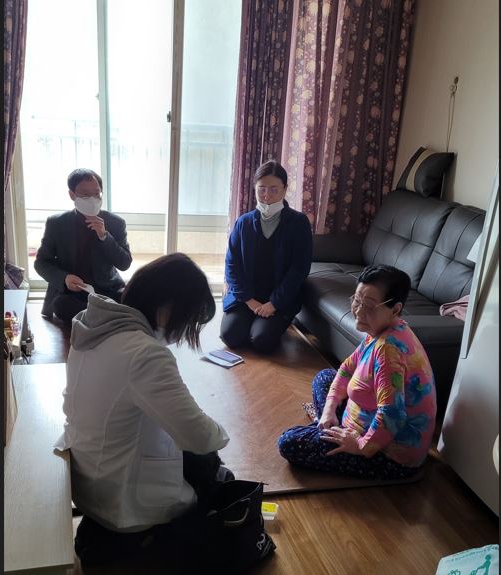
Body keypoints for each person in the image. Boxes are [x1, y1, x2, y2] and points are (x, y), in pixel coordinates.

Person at [54, 253, 231, 565]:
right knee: (212, 464)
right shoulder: (145, 354)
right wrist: (220, 431)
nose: (183, 331)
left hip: (87, 482)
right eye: (187, 320)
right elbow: (201, 436)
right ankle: (149, 541)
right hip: (122, 500)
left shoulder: (92, 326)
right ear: (167, 308)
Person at [278, 264, 437, 479]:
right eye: (356, 300)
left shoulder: (388, 350)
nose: (358, 312)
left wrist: (360, 446)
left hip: (388, 454)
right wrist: (329, 410)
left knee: (289, 442)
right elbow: (346, 368)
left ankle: (326, 429)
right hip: (368, 418)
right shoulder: (384, 329)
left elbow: (392, 415)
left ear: (395, 309)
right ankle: (326, 423)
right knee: (325, 377)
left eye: (369, 306)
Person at [221, 159, 312, 353]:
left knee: (261, 340)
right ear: (255, 188)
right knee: (231, 336)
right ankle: (253, 321)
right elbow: (231, 265)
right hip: (247, 298)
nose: (266, 196)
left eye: (274, 189)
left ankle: (270, 325)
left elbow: (299, 269)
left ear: (284, 189)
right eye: (261, 189)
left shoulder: (298, 223)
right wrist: (249, 300)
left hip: (278, 300)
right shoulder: (243, 223)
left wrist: (274, 303)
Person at [34, 168, 132, 322]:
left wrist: (104, 236)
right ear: (72, 195)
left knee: (132, 298)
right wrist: (65, 278)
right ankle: (106, 317)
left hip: (107, 290)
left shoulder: (115, 223)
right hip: (72, 292)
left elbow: (125, 263)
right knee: (61, 305)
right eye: (85, 195)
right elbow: (41, 263)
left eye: (97, 194)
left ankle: (96, 317)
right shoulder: (57, 223)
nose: (92, 199)